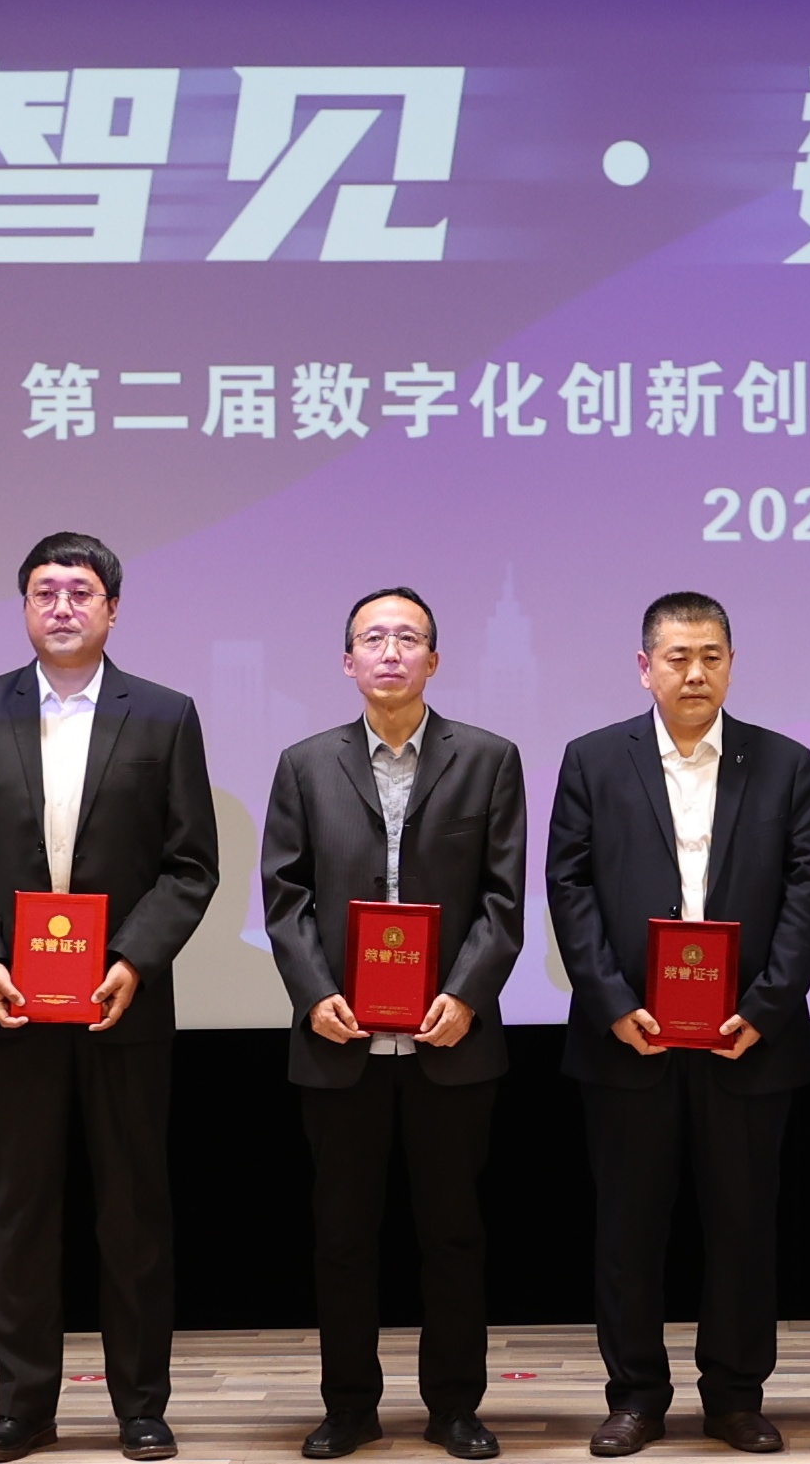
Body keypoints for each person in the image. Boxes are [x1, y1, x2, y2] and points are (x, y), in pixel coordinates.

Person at [0, 532, 219, 1464]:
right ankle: (24, 1407)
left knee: (133, 1212)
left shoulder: (164, 714)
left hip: (123, 1005)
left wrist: (133, 959)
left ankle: (141, 1405)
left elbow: (190, 864)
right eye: (44, 591)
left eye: (80, 591)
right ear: (23, 607)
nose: (62, 606)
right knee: (19, 1214)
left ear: (112, 609)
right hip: (11, 1007)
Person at [550, 592, 810, 1457]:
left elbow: (806, 891)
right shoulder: (594, 758)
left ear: (732, 664)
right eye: (677, 656)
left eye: (711, 655)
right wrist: (611, 1002)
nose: (695, 671)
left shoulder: (784, 762)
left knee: (743, 1227)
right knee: (628, 1230)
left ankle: (735, 1396)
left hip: (747, 1040)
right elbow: (568, 887)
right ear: (645, 667)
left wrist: (766, 1005)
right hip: (628, 1037)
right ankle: (635, 1394)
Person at [260, 588, 527, 1460]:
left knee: (453, 1234)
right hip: (340, 1042)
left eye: (407, 638)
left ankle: (454, 1406)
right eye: (372, 638)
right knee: (342, 1237)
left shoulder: (488, 759)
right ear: (348, 661)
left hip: (451, 1040)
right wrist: (314, 994)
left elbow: (503, 900)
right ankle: (349, 1406)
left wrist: (466, 995)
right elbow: (285, 898)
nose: (389, 652)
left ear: (433, 660)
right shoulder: (305, 764)